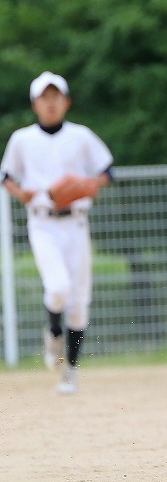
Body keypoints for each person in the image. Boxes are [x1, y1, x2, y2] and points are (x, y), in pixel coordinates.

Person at [1, 71, 113, 395]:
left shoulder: (80, 136)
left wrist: (91, 184)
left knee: (79, 304)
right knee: (58, 287)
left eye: (56, 97)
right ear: (35, 104)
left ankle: (71, 371)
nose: (50, 103)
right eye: (44, 98)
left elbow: (107, 170)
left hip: (75, 222)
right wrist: (20, 193)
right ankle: (53, 334)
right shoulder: (23, 139)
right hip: (42, 221)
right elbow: (7, 174)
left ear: (66, 101)